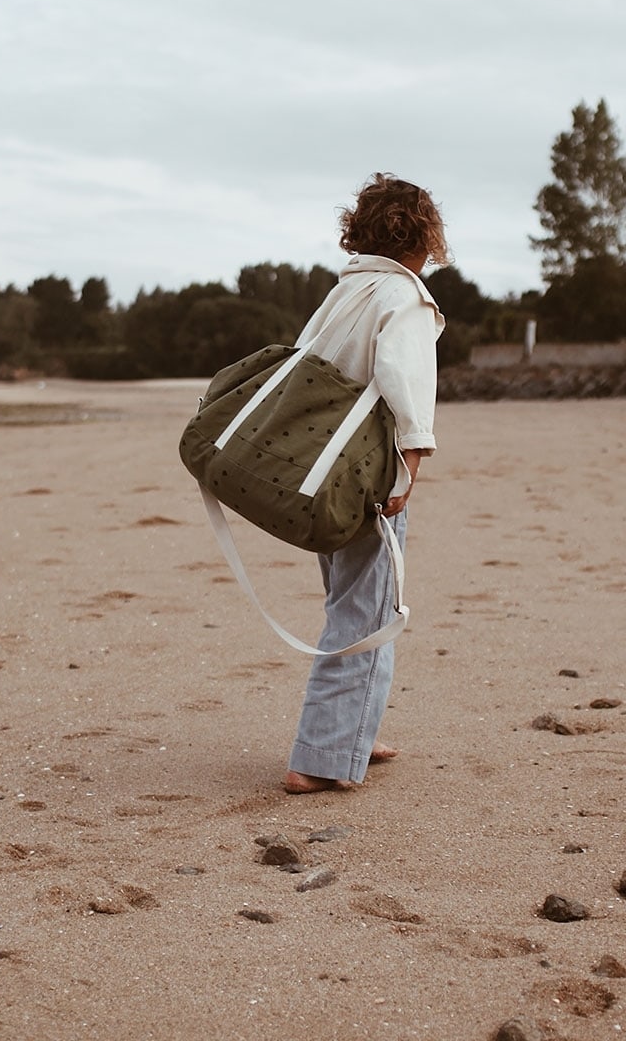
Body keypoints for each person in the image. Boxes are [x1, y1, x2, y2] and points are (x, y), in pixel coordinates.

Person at [285, 173, 448, 794]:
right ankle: (319, 759)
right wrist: (412, 463)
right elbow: (405, 382)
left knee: (353, 600)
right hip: (367, 471)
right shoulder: (405, 298)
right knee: (367, 609)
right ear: (426, 237)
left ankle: (354, 729)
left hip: (322, 469)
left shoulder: (343, 293)